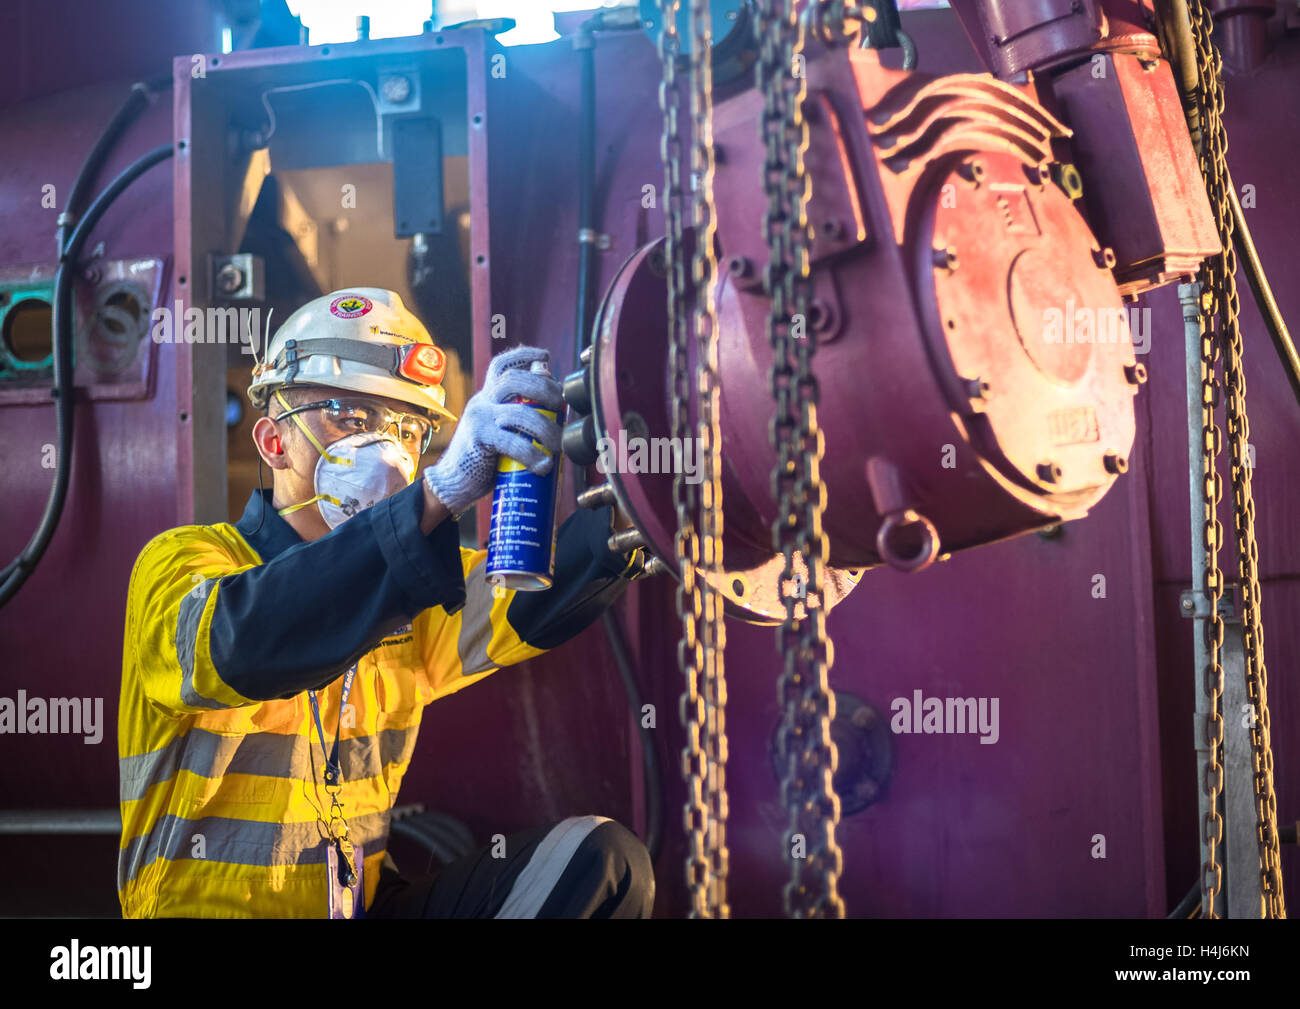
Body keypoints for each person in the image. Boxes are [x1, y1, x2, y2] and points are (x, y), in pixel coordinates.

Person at [117, 287, 654, 918]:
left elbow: (521, 601)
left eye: (406, 428)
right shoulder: (183, 565)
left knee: (600, 861)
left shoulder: (411, 591)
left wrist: (638, 511)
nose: (385, 447)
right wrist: (436, 495)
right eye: (349, 416)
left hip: (361, 909)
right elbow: (246, 641)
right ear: (273, 441)